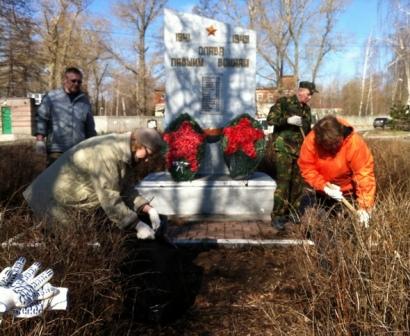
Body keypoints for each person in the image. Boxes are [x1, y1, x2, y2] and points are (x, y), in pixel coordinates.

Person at [23, 128, 165, 239]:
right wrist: (136, 224)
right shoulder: (108, 154)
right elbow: (109, 197)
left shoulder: (124, 153)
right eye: (148, 154)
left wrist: (147, 208)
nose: (147, 160)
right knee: (68, 251)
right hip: (52, 202)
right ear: (138, 145)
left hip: (64, 201)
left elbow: (125, 188)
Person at [297, 115, 376, 227]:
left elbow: (364, 175)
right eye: (328, 147)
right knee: (321, 226)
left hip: (348, 192)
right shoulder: (311, 141)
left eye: (335, 145)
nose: (333, 149)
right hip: (323, 190)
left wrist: (365, 207)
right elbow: (307, 167)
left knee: (349, 226)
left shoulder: (354, 144)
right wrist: (323, 186)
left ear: (341, 135)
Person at [266, 81, 318, 230]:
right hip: (284, 148)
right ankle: (278, 216)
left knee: (297, 184)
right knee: (284, 183)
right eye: (309, 94)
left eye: (311, 95)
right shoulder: (283, 103)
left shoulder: (307, 110)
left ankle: (293, 212)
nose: (310, 97)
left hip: (300, 151)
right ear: (300, 91)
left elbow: (308, 131)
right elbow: (271, 120)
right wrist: (287, 120)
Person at [35, 67, 97, 166]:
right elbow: (41, 118)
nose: (76, 84)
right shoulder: (52, 97)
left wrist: (94, 143)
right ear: (65, 80)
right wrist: (39, 140)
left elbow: (90, 126)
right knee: (55, 180)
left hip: (79, 150)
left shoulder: (84, 101)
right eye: (73, 81)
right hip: (56, 151)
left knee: (78, 180)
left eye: (79, 82)